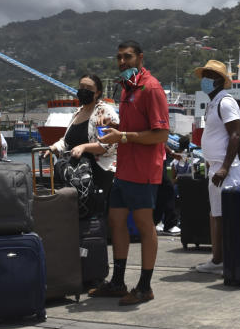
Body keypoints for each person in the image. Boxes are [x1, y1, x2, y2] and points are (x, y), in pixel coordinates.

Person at [94, 40, 170, 305]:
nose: (122, 62)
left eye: (127, 57)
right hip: (124, 169)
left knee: (144, 225)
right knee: (116, 221)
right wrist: (114, 124)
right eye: (119, 58)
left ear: (140, 57)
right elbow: (132, 126)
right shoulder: (127, 89)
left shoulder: (151, 88)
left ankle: (145, 286)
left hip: (144, 170)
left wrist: (123, 136)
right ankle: (117, 282)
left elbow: (161, 133)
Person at [192, 60, 240, 275]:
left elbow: (235, 134)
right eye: (203, 74)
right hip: (216, 167)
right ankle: (218, 259)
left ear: (217, 80)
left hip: (228, 169)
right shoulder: (214, 103)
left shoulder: (226, 102)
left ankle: (227, 259)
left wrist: (224, 167)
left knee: (227, 214)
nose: (204, 80)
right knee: (216, 214)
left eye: (208, 75)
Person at [48, 73, 119, 201]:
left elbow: (106, 145)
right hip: (75, 175)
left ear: (97, 93)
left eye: (89, 88)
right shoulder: (78, 112)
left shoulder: (103, 112)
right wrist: (52, 148)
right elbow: (67, 141)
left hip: (98, 175)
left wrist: (84, 147)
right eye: (81, 87)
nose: (84, 91)